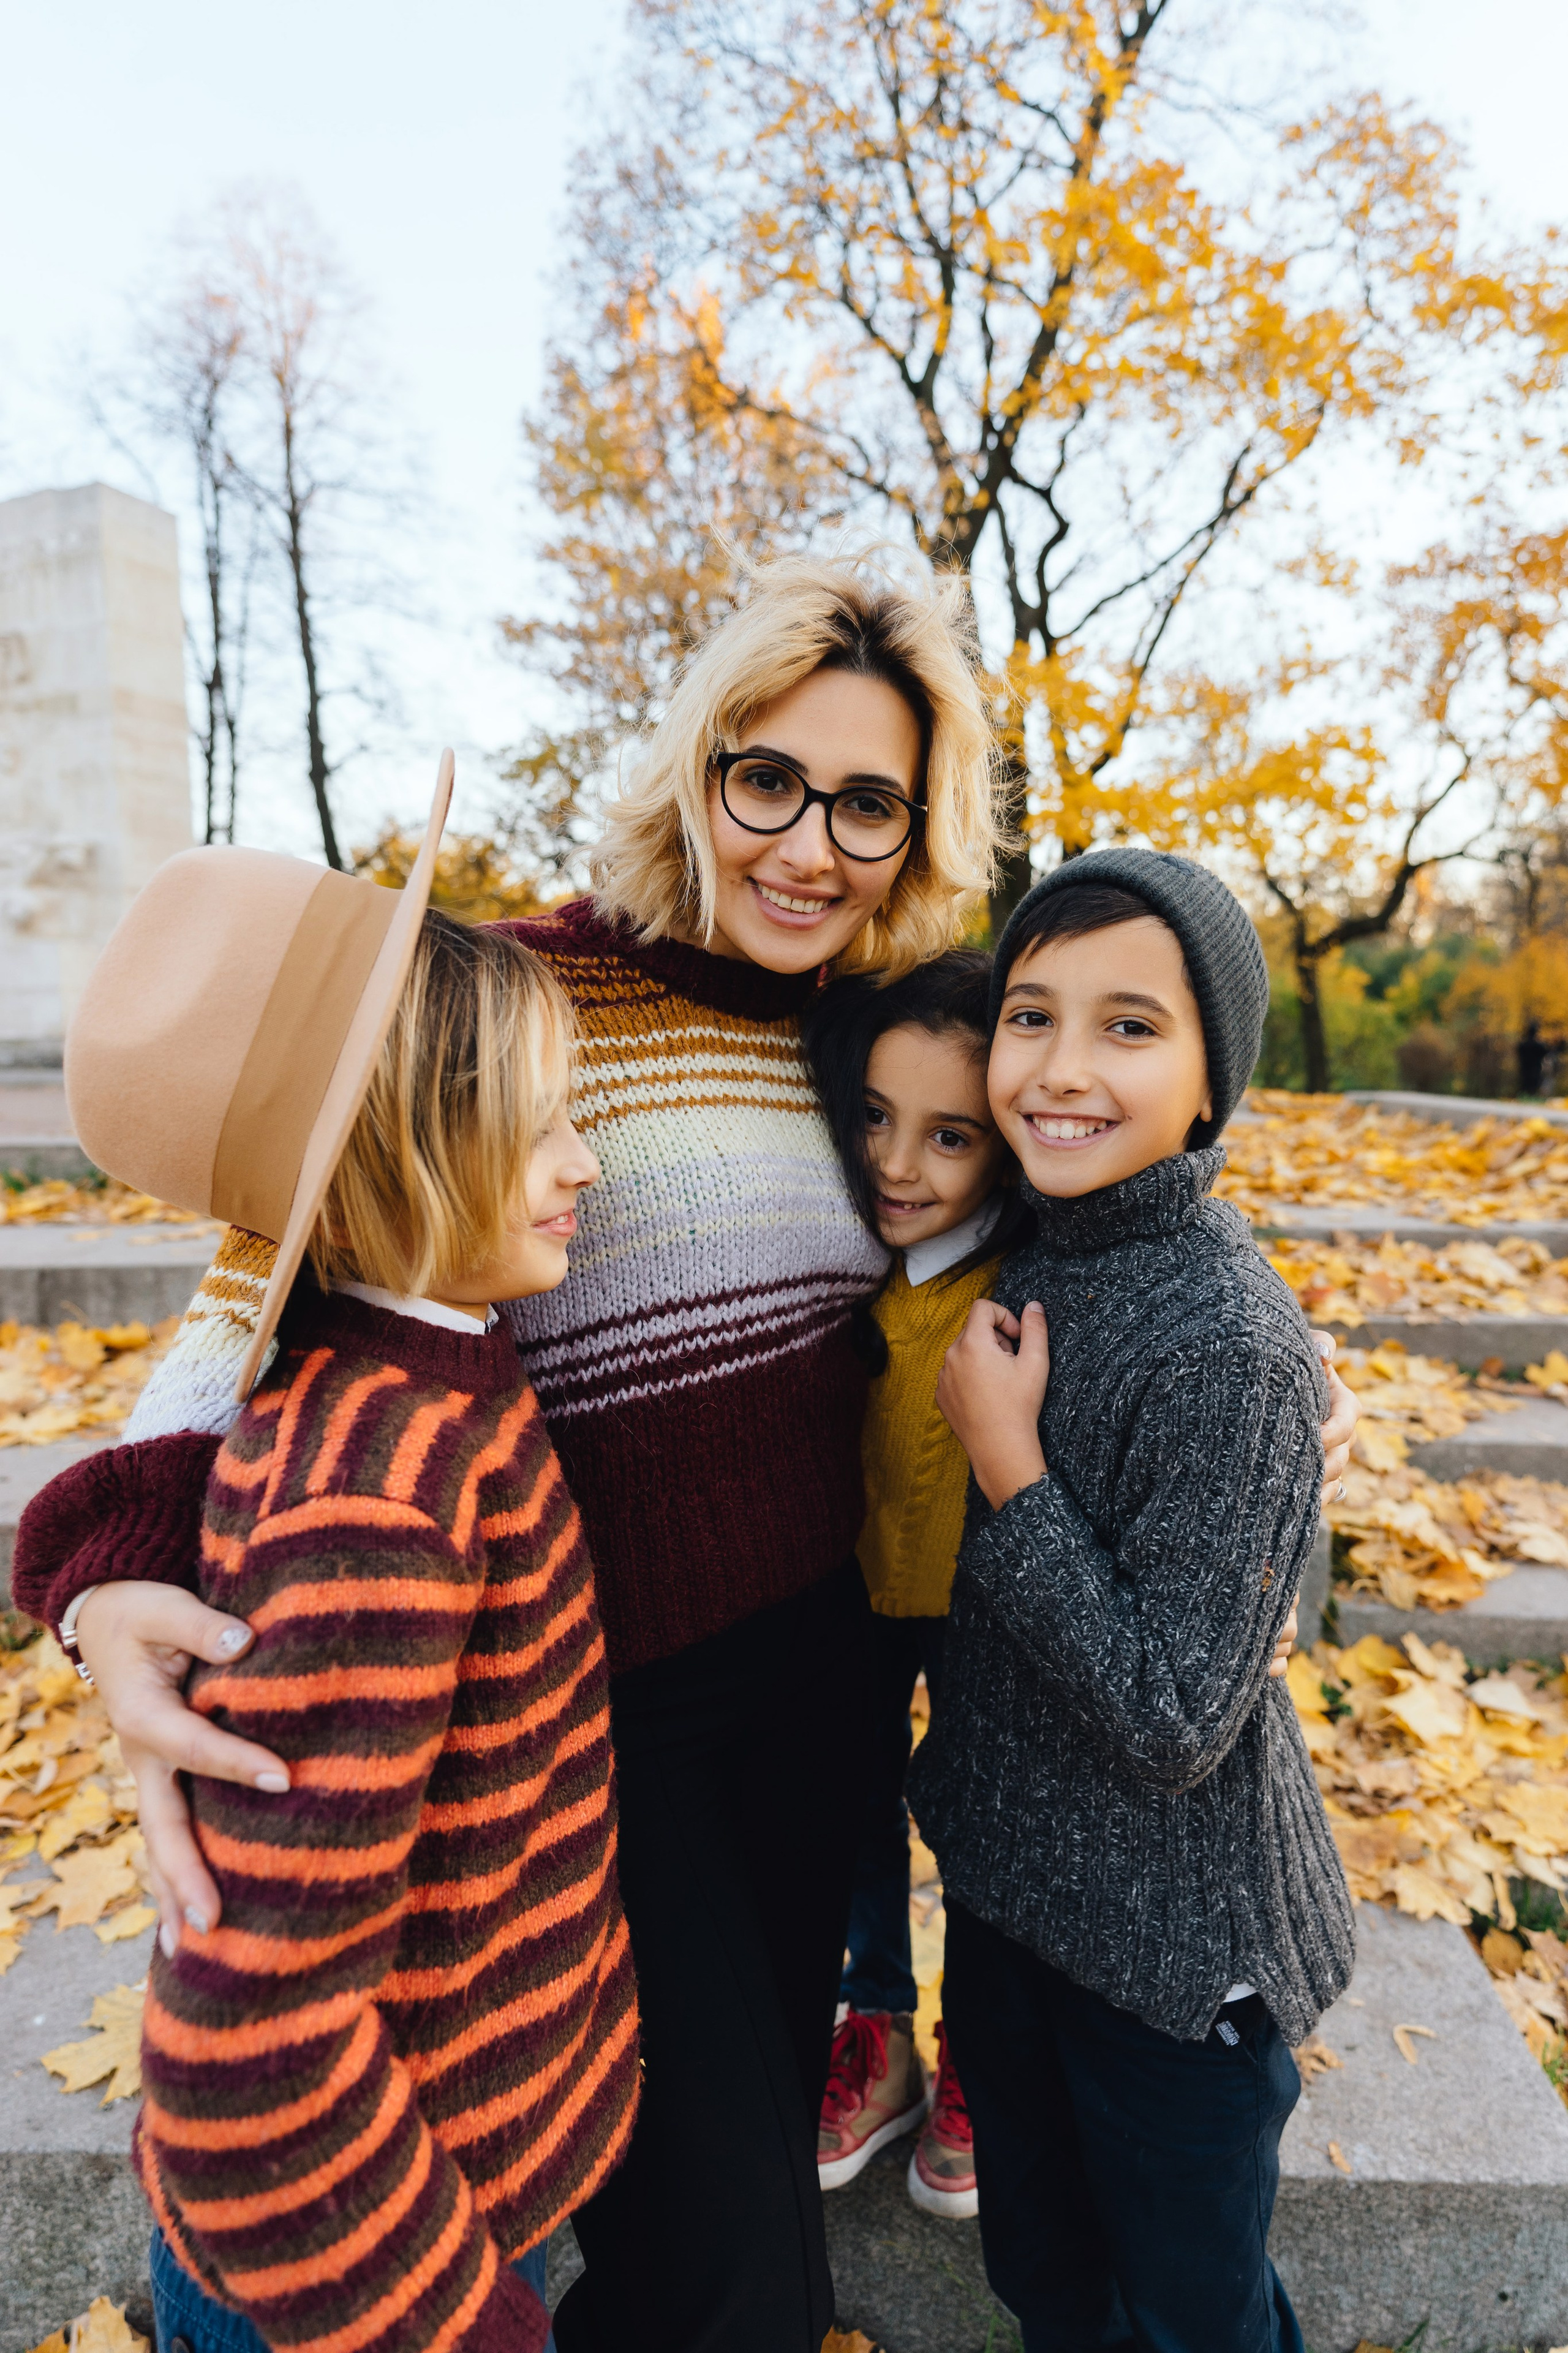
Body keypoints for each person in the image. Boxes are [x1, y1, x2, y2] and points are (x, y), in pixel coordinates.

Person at [15, 557, 1359, 2353]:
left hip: (828, 1685)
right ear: (696, 772)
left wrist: (1272, 1378)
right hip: (600, 1709)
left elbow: (1075, 1179)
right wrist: (104, 1571)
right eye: (769, 780)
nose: (812, 845)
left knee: (714, 2189)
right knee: (728, 2250)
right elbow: (256, 1286)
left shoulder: (872, 1029)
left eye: (869, 801)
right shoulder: (515, 997)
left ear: (920, 825)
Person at [23, 778, 639, 2353]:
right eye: (540, 1119)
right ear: (398, 1142)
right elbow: (253, 2055)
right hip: (366, 2269)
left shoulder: (430, 1370)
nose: (586, 1163)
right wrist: (462, 2324)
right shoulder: (375, 1485)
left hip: (457, 2172)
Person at [910, 851, 1355, 2353]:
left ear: (1210, 1081)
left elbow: (1175, 1718)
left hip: (1170, 1969)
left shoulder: (1226, 1342)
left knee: (1190, 2315)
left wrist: (1010, 1469)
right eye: (1029, 1016)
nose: (1059, 1068)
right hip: (1014, 1910)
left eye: (1127, 1026)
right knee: (1044, 2274)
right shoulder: (1028, 1245)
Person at [802, 951, 1308, 2227]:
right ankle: (874, 2024)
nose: (898, 1166)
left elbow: (1208, 1412)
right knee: (852, 1807)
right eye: (872, 1119)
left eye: (949, 1135)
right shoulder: (829, 1258)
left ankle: (979, 2043)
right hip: (849, 1594)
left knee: (983, 1807)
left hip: (996, 1612)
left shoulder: (1039, 1278)